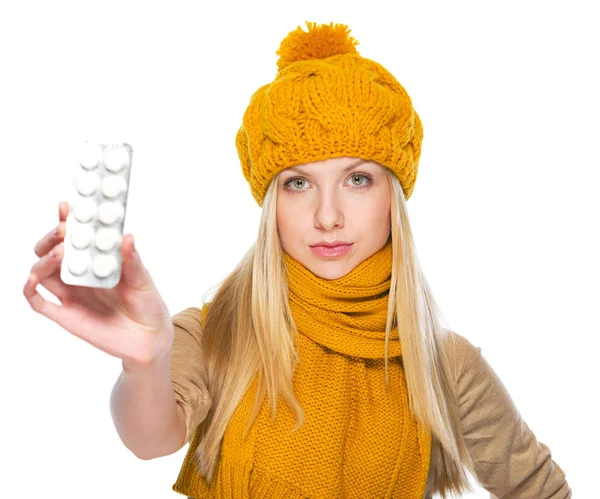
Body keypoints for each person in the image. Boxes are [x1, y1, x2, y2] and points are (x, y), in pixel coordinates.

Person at [24, 21, 571, 499]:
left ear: (393, 197)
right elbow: (149, 439)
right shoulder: (217, 333)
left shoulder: (444, 366)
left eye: (358, 179)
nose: (327, 215)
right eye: (298, 183)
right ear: (271, 205)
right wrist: (145, 361)